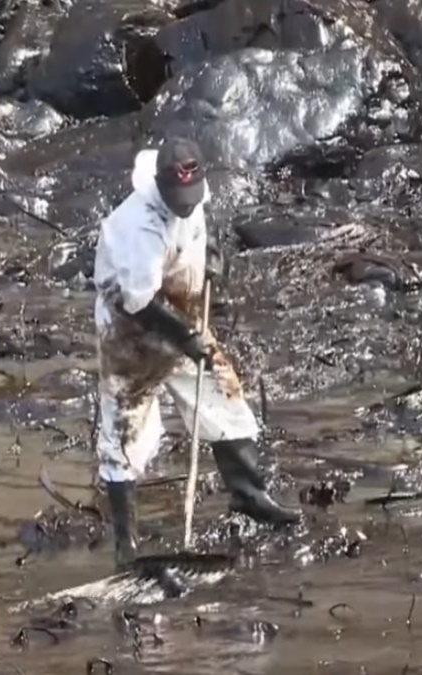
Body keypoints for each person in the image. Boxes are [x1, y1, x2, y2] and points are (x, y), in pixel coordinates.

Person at [92, 137, 302, 571]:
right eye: (177, 201)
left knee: (224, 395)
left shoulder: (193, 196)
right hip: (132, 329)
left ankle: (249, 497)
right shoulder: (137, 226)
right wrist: (185, 336)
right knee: (124, 431)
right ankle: (125, 546)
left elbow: (199, 229)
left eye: (191, 198)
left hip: (183, 311)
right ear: (160, 184)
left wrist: (214, 260)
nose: (185, 206)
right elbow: (137, 301)